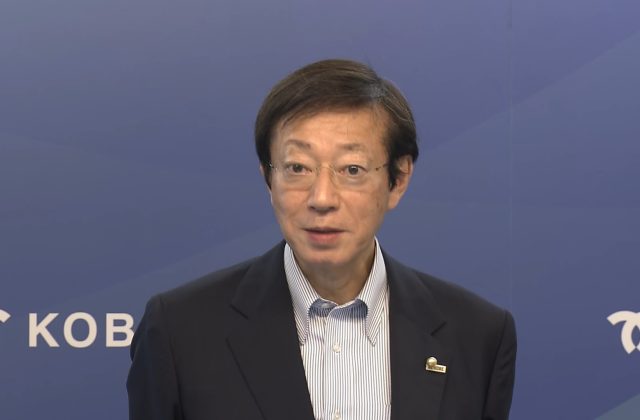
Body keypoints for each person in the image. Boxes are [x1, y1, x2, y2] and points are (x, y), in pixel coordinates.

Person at [127, 58, 517, 420]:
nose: (322, 198)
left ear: (398, 180)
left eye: (352, 169)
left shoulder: (476, 334)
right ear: (268, 179)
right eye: (298, 168)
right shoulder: (180, 331)